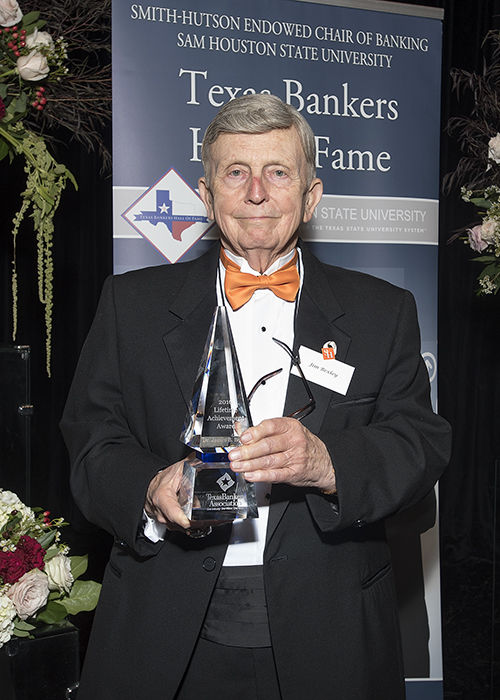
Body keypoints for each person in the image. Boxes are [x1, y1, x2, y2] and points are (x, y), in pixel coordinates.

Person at [60, 94, 451, 700]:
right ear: (206, 194)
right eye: (236, 172)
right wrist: (150, 489)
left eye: (278, 172)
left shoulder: (383, 311)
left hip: (331, 626)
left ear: (311, 196)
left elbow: (419, 444)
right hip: (164, 623)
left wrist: (327, 463)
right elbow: (92, 440)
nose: (257, 193)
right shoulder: (130, 304)